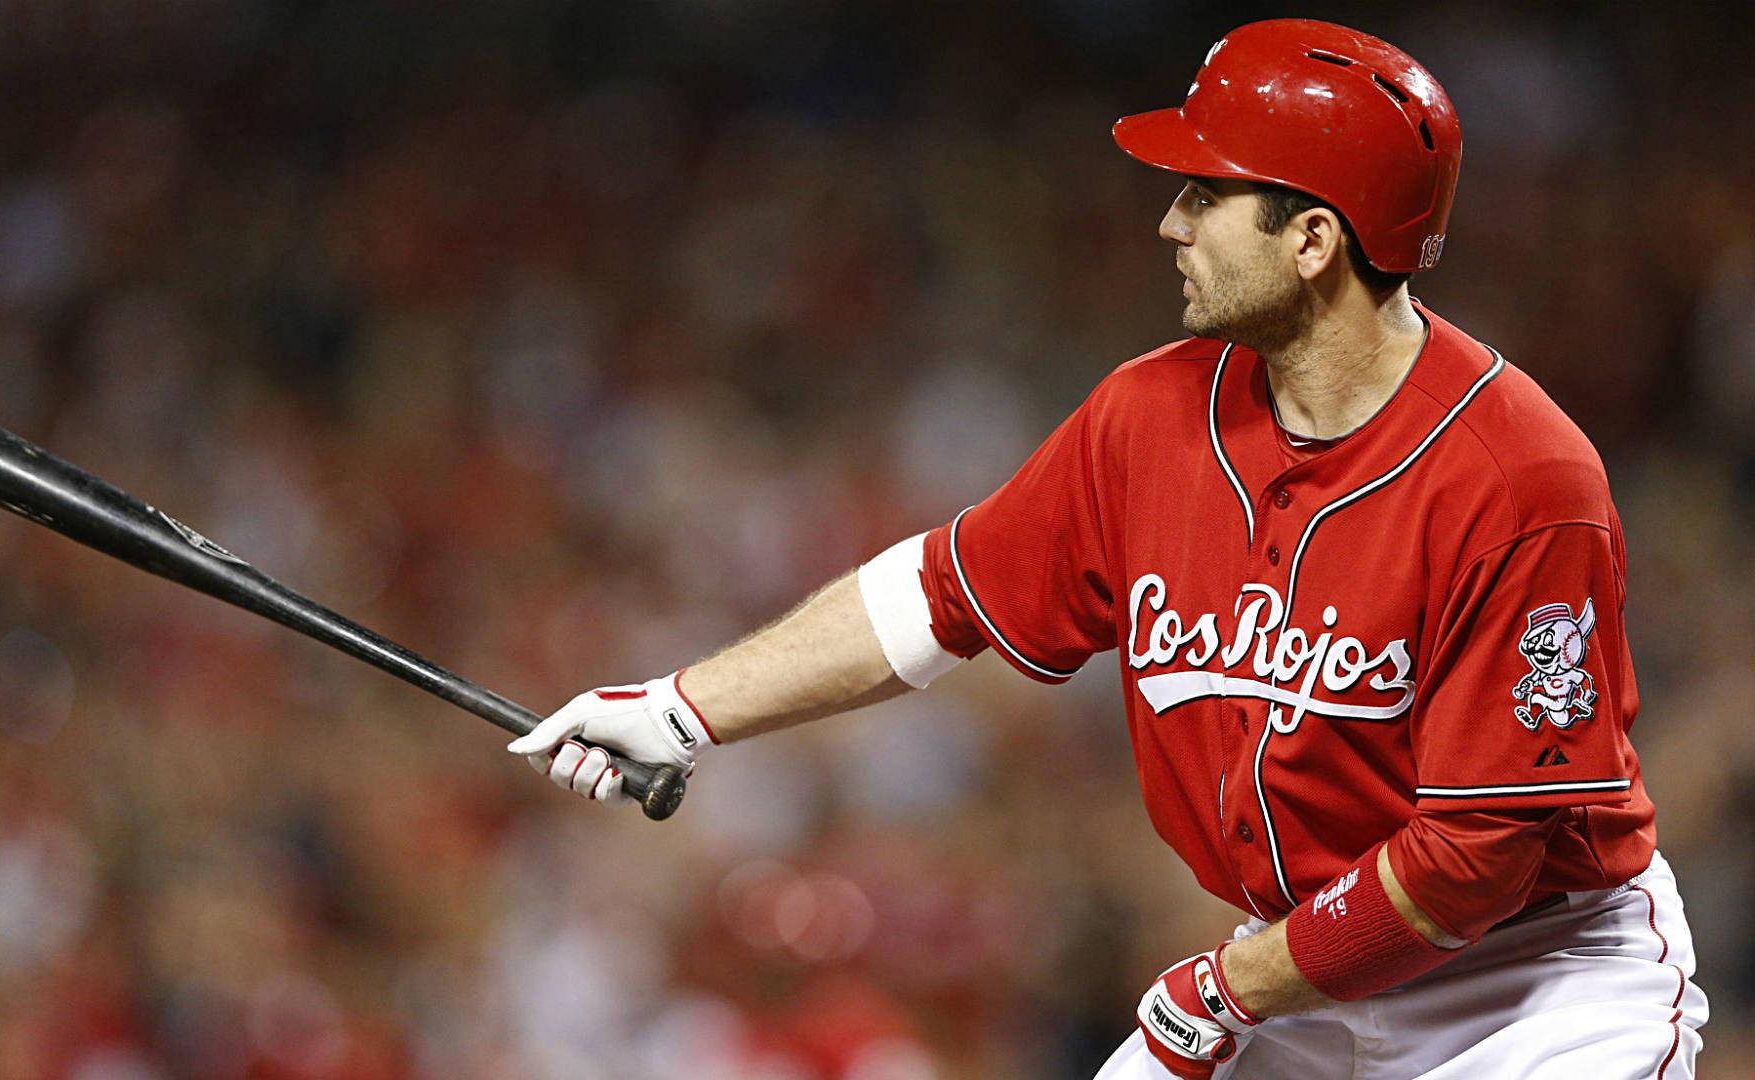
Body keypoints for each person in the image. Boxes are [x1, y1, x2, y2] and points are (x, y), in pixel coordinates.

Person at [507, 18, 1707, 1079]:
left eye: (1206, 192)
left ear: (1313, 242)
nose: (1168, 219)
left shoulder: (1520, 477)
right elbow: (939, 595)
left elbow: (1476, 860)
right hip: (1296, 965)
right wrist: (680, 709)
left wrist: (1233, 989)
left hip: (1528, 987)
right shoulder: (1151, 412)